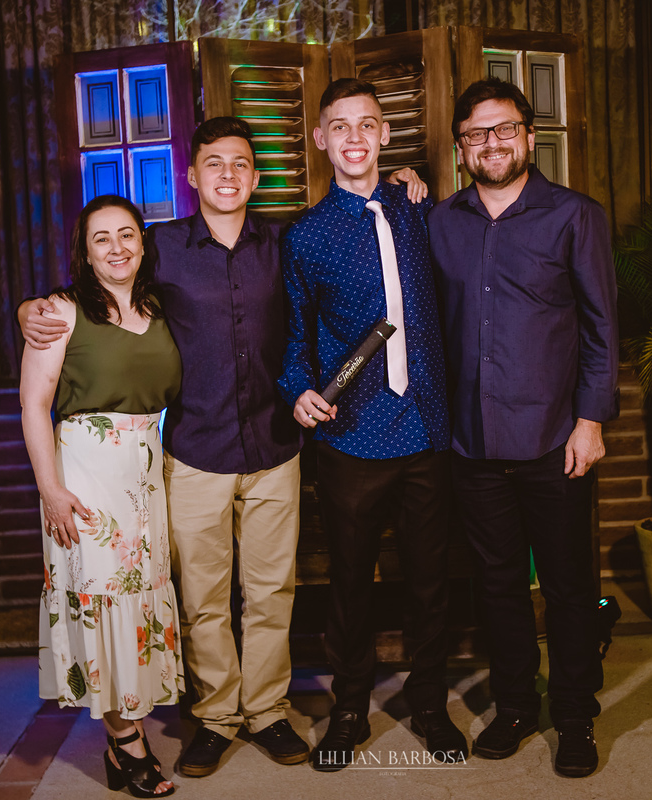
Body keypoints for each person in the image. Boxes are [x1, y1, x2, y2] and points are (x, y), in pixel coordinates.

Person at [20, 117, 430, 778]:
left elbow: (343, 273)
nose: (228, 174)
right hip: (194, 451)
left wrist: (403, 180)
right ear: (192, 175)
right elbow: (96, 283)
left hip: (276, 446)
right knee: (203, 598)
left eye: (240, 163)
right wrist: (29, 308)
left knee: (271, 592)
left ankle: (266, 710)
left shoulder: (287, 240)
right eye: (214, 163)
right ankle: (215, 716)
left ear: (256, 176)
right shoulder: (159, 246)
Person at [427, 78, 619, 779]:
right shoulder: (441, 223)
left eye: (504, 128)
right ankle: (514, 706)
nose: (492, 143)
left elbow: (601, 328)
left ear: (529, 137)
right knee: (498, 585)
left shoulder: (575, 216)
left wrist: (591, 421)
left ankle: (574, 716)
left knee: (568, 587)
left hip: (554, 440)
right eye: (476, 133)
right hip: (471, 443)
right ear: (461, 148)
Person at [278, 78, 465, 771]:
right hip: (350, 433)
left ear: (385, 135)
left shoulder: (421, 210)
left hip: (427, 428)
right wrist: (297, 389)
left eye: (367, 124)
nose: (354, 137)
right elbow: (295, 334)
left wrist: (412, 180)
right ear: (321, 139)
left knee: (430, 582)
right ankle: (350, 708)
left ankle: (429, 703)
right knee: (351, 584)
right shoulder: (304, 236)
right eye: (340, 126)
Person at [21, 194, 182, 797]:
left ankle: (126, 729)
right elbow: (33, 404)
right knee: (101, 598)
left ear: (143, 241)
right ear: (85, 254)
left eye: (126, 234)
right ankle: (126, 740)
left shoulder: (159, 309)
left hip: (144, 473)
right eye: (101, 238)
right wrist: (50, 490)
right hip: (83, 476)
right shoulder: (61, 312)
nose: (117, 247)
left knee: (139, 598)